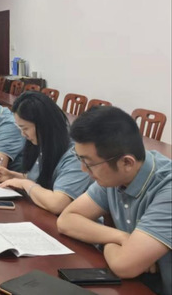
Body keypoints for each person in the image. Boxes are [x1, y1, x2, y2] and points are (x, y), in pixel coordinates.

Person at [57, 107, 171, 295]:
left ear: (127, 163)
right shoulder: (114, 176)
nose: (83, 170)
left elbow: (124, 265)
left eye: (89, 163)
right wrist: (121, 238)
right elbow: (66, 220)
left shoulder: (167, 189)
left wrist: (107, 242)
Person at [0, 91, 92, 215]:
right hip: (45, 214)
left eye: (25, 128)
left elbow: (57, 204)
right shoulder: (45, 143)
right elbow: (38, 181)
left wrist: (24, 183)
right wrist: (11, 176)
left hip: (72, 222)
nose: (23, 134)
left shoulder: (75, 155)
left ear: (43, 125)